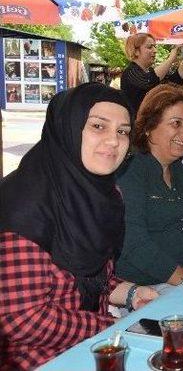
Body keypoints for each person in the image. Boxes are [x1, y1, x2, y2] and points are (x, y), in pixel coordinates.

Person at [0, 84, 157, 370]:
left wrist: (133, 293)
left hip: (93, 347)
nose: (114, 141)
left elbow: (90, 276)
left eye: (122, 131)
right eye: (98, 126)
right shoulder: (22, 205)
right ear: (67, 127)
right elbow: (21, 320)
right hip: (35, 360)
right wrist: (111, 324)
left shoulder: (104, 194)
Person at [116, 85, 183, 287]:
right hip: (150, 288)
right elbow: (135, 244)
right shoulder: (130, 172)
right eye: (176, 123)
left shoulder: (177, 167)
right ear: (148, 127)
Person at [121, 33, 183, 116]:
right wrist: (170, 59)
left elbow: (175, 81)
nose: (155, 50)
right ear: (136, 51)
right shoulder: (130, 72)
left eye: (154, 46)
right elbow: (149, 80)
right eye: (150, 47)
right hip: (136, 126)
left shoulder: (149, 71)